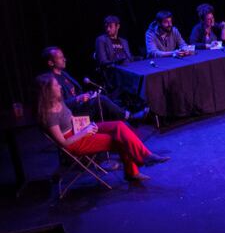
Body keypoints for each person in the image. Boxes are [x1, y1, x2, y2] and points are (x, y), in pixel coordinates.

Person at [36, 74, 168, 181]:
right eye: (55, 85)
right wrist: (84, 132)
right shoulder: (49, 115)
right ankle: (133, 171)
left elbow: (70, 118)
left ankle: (146, 156)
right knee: (120, 139)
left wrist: (83, 124)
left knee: (119, 126)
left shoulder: (59, 102)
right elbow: (63, 143)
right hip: (75, 142)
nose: (59, 86)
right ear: (47, 90)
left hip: (79, 130)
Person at [43, 46, 147, 122]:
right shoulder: (51, 81)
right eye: (60, 58)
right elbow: (59, 105)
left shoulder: (64, 74)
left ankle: (120, 124)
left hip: (80, 106)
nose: (64, 59)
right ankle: (129, 117)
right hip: (72, 113)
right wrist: (78, 99)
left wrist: (87, 95)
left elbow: (76, 92)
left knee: (108, 93)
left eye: (63, 56)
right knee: (101, 100)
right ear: (51, 63)